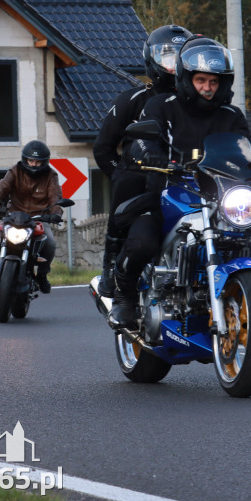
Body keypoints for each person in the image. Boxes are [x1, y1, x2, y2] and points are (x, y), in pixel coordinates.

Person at [106, 35, 251, 327]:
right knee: (142, 241)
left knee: (244, 235)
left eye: (214, 82)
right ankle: (124, 298)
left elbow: (248, 148)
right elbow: (141, 141)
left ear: (223, 83)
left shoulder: (231, 114)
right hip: (170, 193)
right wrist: (153, 155)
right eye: (201, 80)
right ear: (187, 78)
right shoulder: (161, 105)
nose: (207, 88)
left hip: (217, 195)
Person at [92, 24, 191, 298]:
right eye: (167, 55)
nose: (173, 63)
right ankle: (112, 265)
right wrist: (121, 173)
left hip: (184, 181)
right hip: (142, 179)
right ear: (151, 58)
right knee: (127, 181)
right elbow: (103, 149)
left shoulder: (196, 104)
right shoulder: (132, 100)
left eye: (181, 55)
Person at [0, 140, 62, 293]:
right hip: (13, 216)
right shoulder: (15, 171)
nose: (33, 164)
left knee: (50, 242)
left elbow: (55, 196)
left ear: (44, 162)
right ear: (25, 159)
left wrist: (55, 213)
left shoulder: (50, 176)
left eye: (38, 162)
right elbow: (1, 188)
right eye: (31, 160)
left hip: (38, 218)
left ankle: (42, 275)